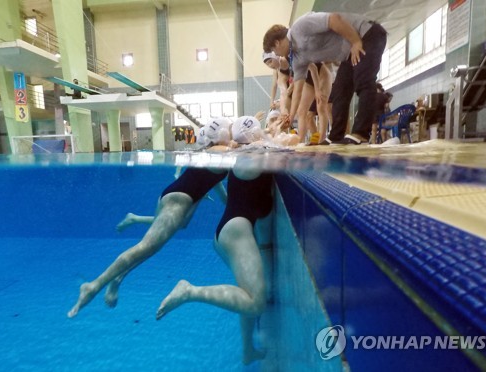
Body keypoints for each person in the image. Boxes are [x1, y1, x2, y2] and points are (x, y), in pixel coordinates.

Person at [67, 117, 233, 317]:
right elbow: (224, 153)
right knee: (145, 247)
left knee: (158, 241)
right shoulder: (217, 153)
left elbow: (223, 196)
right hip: (178, 200)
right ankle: (94, 285)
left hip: (176, 197)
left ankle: (128, 240)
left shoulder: (218, 160)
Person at [156, 167, 273, 365]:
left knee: (245, 293)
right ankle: (190, 291)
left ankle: (248, 351)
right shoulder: (249, 162)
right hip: (234, 233)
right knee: (255, 303)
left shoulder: (252, 168)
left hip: (232, 233)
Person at [263, 12, 387, 145]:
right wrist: (290, 118)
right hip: (349, 53)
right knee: (339, 91)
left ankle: (361, 134)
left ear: (277, 43)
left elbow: (335, 19)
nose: (276, 55)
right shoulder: (297, 58)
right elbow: (297, 91)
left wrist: (356, 41)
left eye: (274, 51)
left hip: (366, 35)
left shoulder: (300, 27)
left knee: (363, 81)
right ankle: (336, 136)